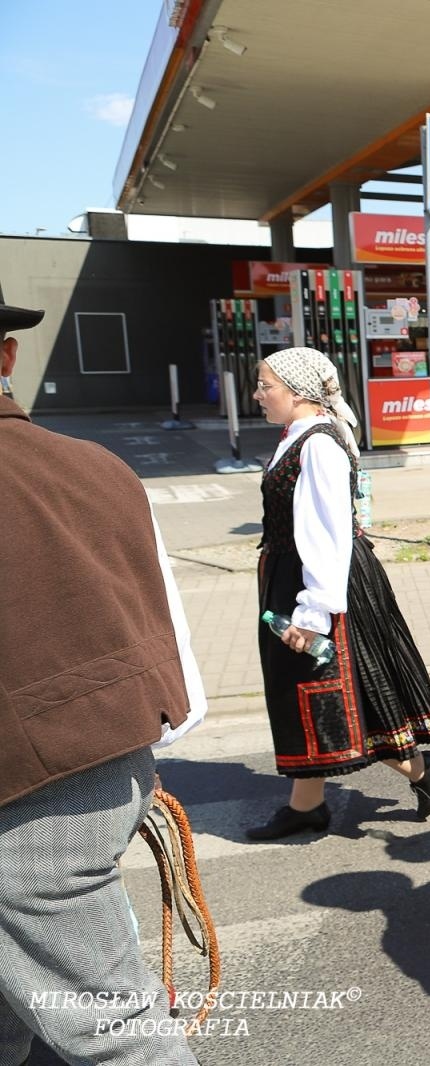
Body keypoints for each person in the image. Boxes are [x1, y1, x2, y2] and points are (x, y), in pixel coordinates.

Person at [1, 289, 206, 1064]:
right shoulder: (99, 465)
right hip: (114, 760)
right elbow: (163, 621)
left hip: (22, 798)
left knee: (115, 1032)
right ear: (9, 357)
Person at [246, 347, 430, 840]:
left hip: (322, 581)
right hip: (301, 576)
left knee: (346, 690)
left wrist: (312, 611)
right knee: (312, 691)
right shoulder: (300, 435)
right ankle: (308, 803)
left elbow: (326, 532)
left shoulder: (318, 445)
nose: (258, 394)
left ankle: (421, 768)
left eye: (265, 385)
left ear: (297, 392)